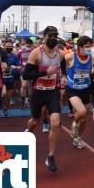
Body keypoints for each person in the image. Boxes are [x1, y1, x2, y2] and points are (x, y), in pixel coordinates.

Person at [23, 26, 65, 172]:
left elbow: (64, 65)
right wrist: (44, 73)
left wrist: (64, 76)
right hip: (38, 92)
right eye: (51, 36)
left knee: (55, 123)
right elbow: (26, 75)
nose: (53, 39)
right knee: (35, 120)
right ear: (44, 37)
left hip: (52, 92)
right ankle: (28, 131)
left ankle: (51, 156)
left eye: (55, 36)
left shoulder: (60, 53)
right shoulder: (36, 53)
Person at [65, 36, 94, 149]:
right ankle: (74, 125)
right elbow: (60, 63)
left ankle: (78, 138)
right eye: (87, 47)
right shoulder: (70, 57)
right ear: (80, 47)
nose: (89, 49)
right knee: (81, 111)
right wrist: (63, 76)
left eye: (91, 46)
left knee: (84, 119)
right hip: (73, 89)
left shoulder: (93, 57)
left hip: (86, 88)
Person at [1, 39, 21, 117]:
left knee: (8, 96)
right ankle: (0, 101)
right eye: (7, 46)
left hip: (10, 79)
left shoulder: (14, 56)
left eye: (10, 46)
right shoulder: (0, 55)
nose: (9, 48)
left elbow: (20, 66)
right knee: (3, 93)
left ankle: (5, 108)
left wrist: (15, 67)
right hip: (1, 79)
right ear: (4, 47)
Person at [17, 38, 34, 108]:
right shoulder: (21, 50)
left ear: (32, 44)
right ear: (26, 44)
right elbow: (17, 57)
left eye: (30, 44)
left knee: (30, 87)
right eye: (28, 44)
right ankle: (23, 101)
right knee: (24, 86)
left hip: (32, 71)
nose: (29, 45)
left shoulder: (34, 50)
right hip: (23, 71)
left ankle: (30, 101)